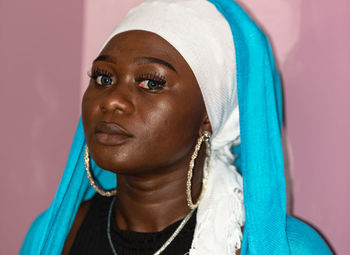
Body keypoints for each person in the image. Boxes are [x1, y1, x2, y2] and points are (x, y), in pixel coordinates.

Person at [20, 0, 332, 254]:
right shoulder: (56, 234)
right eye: (103, 78)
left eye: (151, 83)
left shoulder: (288, 248)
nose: (113, 100)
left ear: (207, 115)